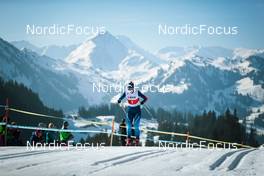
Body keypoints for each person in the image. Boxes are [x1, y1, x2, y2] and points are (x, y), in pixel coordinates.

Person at [117, 81, 148, 146]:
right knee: (129, 126)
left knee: (136, 126)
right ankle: (129, 139)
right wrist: (119, 100)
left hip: (137, 111)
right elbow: (120, 98)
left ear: (133, 88)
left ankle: (137, 139)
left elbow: (145, 98)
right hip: (130, 111)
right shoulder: (126, 92)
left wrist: (142, 103)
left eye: (131, 88)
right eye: (128, 88)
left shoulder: (137, 92)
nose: (130, 90)